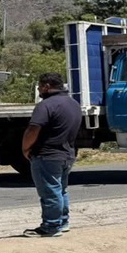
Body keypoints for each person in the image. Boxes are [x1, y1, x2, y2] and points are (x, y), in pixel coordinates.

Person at [21, 73, 82, 238]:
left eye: (40, 86)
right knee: (60, 190)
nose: (39, 89)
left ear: (47, 86)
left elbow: (33, 129)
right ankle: (63, 222)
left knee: (50, 191)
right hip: (67, 153)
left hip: (47, 155)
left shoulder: (46, 105)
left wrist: (26, 148)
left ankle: (51, 226)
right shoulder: (73, 104)